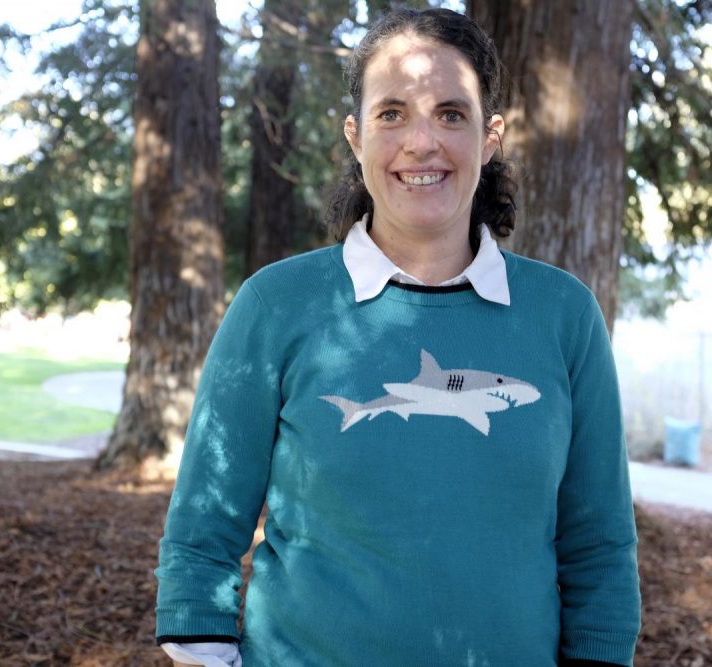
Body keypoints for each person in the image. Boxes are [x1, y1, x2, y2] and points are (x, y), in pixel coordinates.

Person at [155, 7, 641, 667]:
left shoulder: (565, 315)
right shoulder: (275, 303)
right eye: (391, 114)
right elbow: (204, 528)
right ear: (355, 136)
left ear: (489, 136)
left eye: (450, 113)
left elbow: (600, 545)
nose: (421, 142)